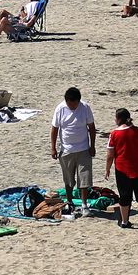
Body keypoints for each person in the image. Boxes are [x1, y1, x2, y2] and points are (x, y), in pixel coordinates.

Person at [50, 87, 97, 218]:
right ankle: (70, 202)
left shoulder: (85, 107)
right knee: (68, 179)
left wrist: (92, 146)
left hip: (83, 148)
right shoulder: (60, 109)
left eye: (75, 104)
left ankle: (84, 205)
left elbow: (92, 128)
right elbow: (54, 129)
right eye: (70, 104)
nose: (72, 106)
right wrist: (53, 148)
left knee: (84, 178)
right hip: (66, 150)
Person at [105, 107, 138, 229]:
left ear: (118, 119)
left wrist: (107, 169)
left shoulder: (114, 134)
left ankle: (125, 221)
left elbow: (110, 155)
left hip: (122, 168)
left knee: (125, 196)